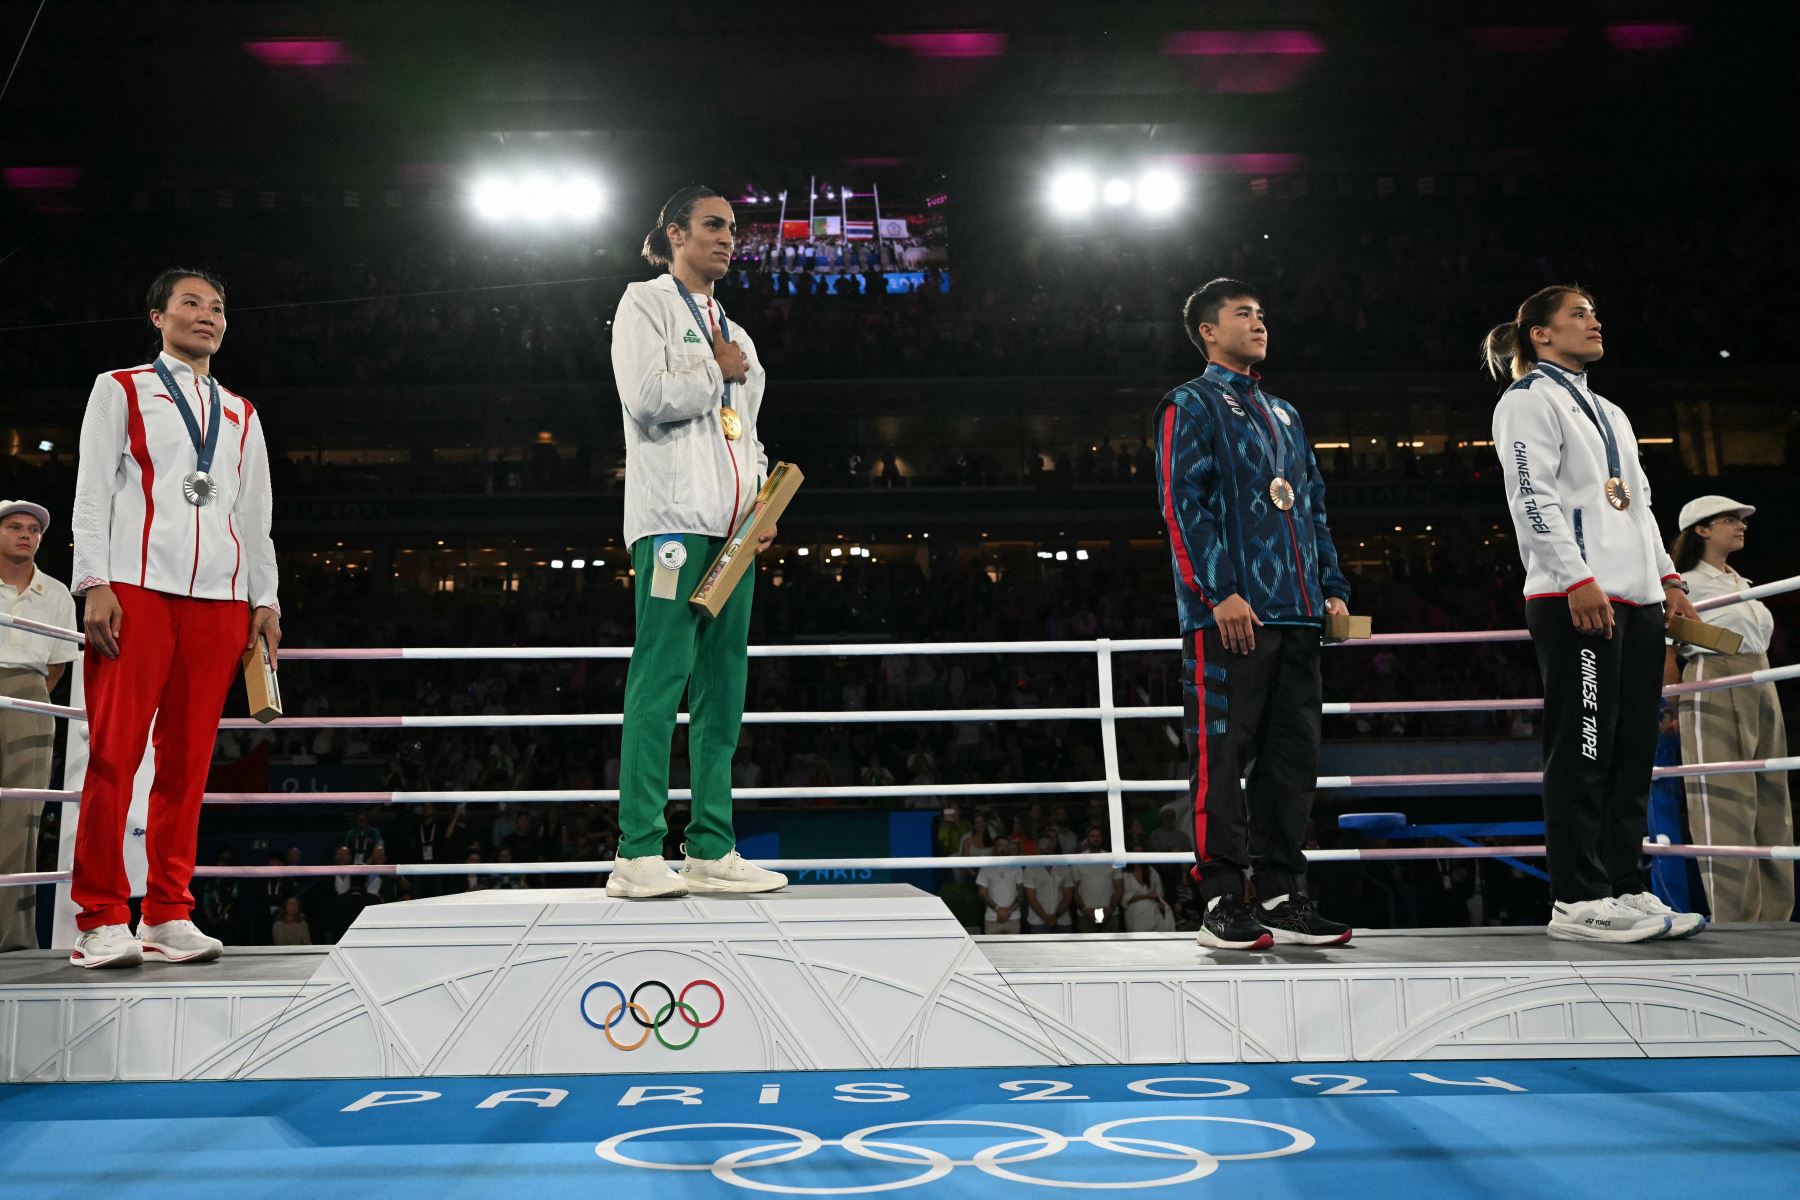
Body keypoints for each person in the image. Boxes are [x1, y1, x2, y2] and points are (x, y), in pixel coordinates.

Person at [67, 268, 282, 969]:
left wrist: (264, 600)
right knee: (114, 755)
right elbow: (93, 490)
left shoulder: (243, 412)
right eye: (191, 303)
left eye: (218, 306)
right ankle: (100, 917)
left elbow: (255, 519)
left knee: (188, 765)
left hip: (219, 603)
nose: (207, 315)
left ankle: (166, 912)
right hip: (136, 592)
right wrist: (94, 580)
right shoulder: (121, 388)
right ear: (157, 316)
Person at [1485, 285, 1704, 941]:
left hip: (1636, 598)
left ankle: (1623, 883)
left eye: (1595, 312)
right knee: (1581, 748)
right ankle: (1577, 899)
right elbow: (1531, 496)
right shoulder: (1525, 402)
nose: (1595, 321)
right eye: (1578, 313)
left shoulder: (1609, 410)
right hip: (1575, 596)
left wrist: (1667, 576)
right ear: (1541, 335)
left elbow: (1637, 504)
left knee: (1632, 749)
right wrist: (1575, 576)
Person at [1154, 278, 1354, 951]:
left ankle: (1281, 893)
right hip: (1230, 616)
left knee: (1291, 763)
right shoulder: (1189, 403)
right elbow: (1184, 506)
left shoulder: (1287, 414)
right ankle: (1219, 898)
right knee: (1221, 756)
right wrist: (1218, 594)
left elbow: (1313, 507)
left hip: (1298, 614)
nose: (1259, 321)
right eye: (1243, 314)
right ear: (1208, 331)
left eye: (1263, 313)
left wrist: (1333, 589)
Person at [607, 185, 783, 899]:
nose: (728, 238)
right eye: (713, 225)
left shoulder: (738, 334)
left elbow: (748, 436)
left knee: (723, 690)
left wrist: (765, 500)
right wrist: (717, 371)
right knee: (660, 679)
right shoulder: (643, 304)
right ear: (675, 233)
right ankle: (637, 853)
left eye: (733, 229)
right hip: (674, 524)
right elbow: (646, 397)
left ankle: (711, 847)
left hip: (735, 533)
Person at [1668, 495, 1792, 922]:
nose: (1741, 526)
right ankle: (1737, 921)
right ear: (1701, 530)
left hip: (1762, 680)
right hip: (1712, 679)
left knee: (1773, 800)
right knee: (1724, 803)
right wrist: (1668, 702)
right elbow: (1667, 648)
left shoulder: (1744, 583)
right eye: (1729, 520)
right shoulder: (1684, 583)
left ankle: (1776, 920)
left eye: (1741, 520)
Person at [0, 498, 76, 950]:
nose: (25, 534)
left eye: (32, 528)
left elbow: (56, 668)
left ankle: (11, 936)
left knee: (21, 820)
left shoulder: (58, 593)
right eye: (14, 526)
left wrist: (26, 696)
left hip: (30, 694)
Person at [1072, 826, 1123, 931]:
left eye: (1099, 836)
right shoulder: (1078, 860)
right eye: (1093, 836)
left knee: (1113, 946)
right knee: (1087, 947)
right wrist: (1084, 910)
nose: (1096, 838)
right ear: (1087, 839)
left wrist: (1110, 908)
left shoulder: (1112, 858)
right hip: (1086, 912)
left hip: (1110, 911)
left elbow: (1119, 886)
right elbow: (1074, 889)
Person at [975, 836, 1024, 934]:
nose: (1003, 849)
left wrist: (1008, 912)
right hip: (992, 918)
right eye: (1000, 845)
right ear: (994, 848)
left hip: (1013, 918)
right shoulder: (986, 867)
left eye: (1006, 846)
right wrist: (998, 909)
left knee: (1014, 949)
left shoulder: (1017, 867)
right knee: (991, 949)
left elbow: (1021, 894)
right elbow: (982, 892)